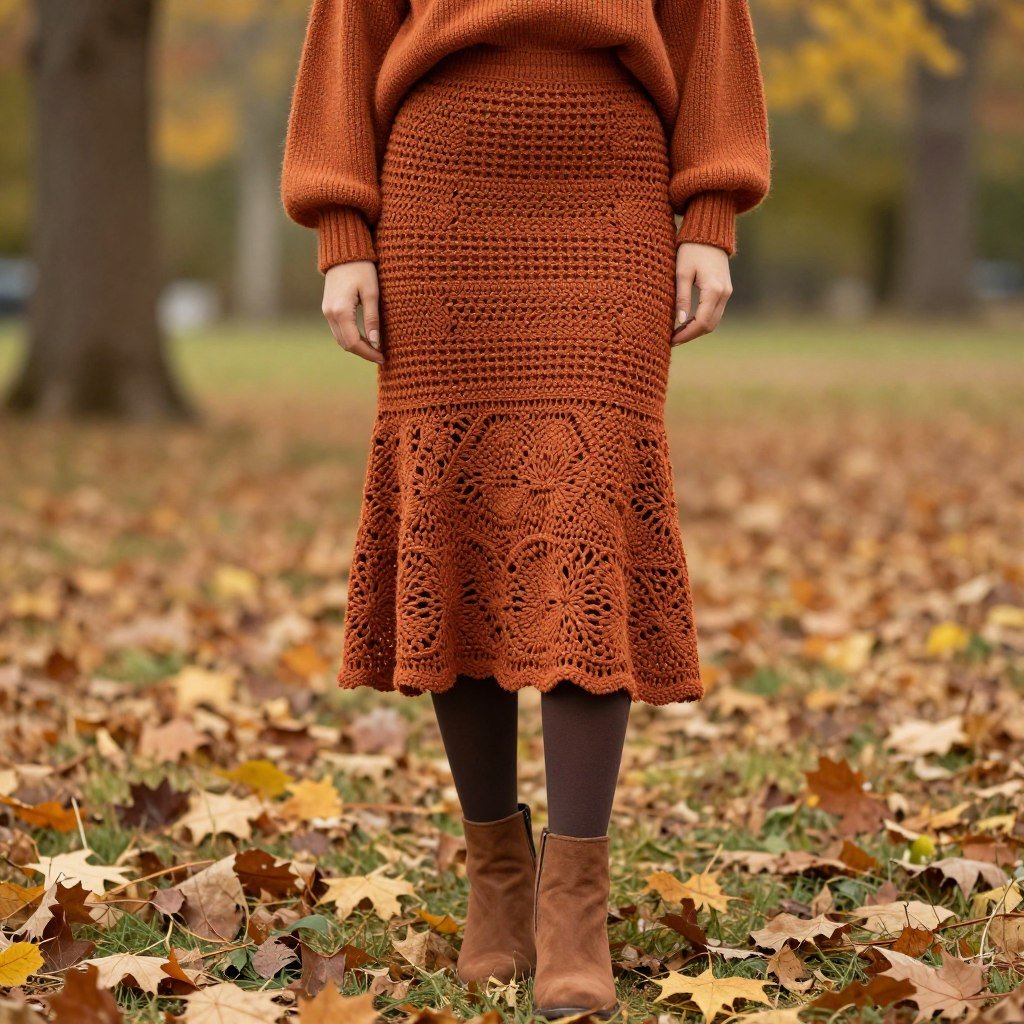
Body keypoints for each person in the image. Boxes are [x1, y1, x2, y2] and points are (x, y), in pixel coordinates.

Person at [281, 1, 770, 1017]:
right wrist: (343, 231)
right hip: (440, 194)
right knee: (461, 516)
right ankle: (497, 881)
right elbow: (348, 31)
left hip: (611, 193)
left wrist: (711, 217)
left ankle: (575, 907)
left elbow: (708, 27)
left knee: (585, 515)